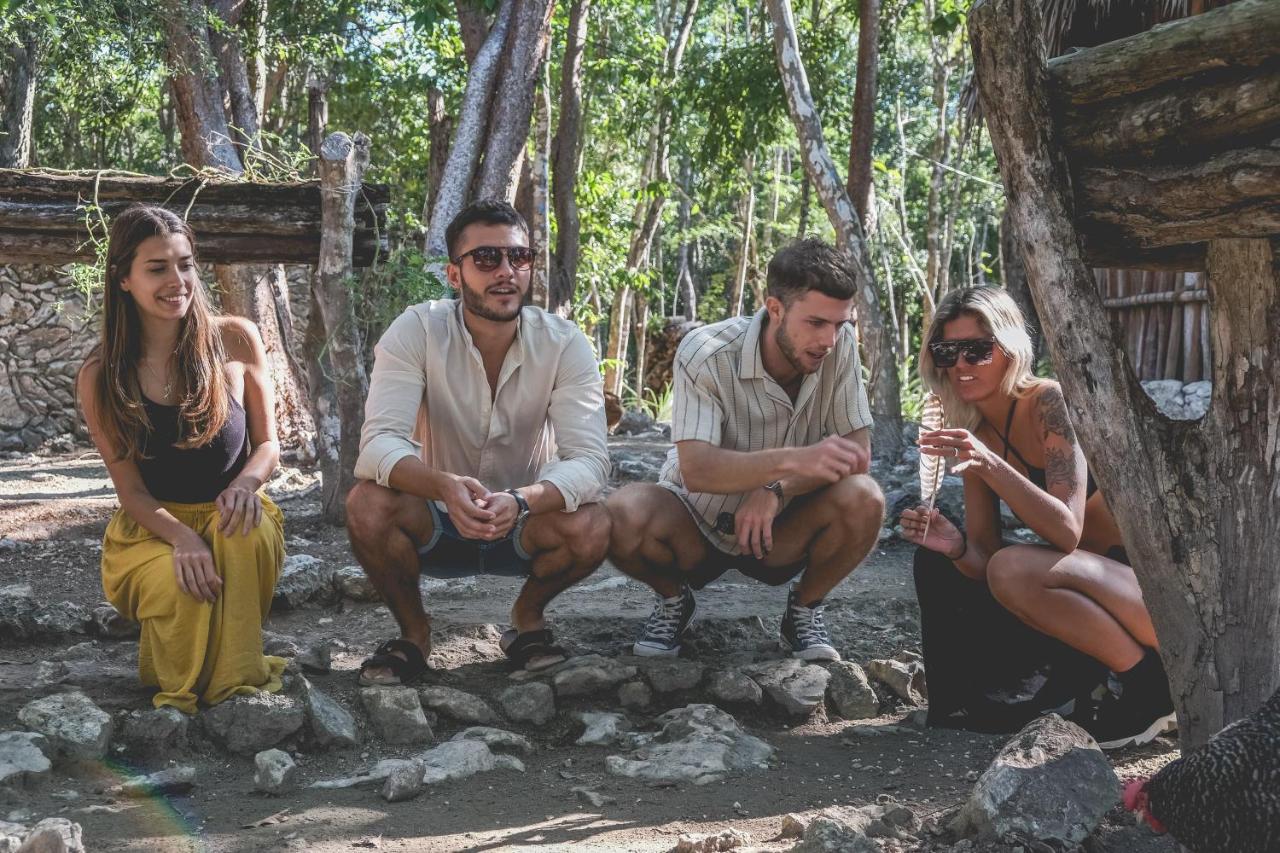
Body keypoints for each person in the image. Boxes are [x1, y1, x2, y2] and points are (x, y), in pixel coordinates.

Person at [347, 199, 611, 681]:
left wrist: (523, 500)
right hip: (435, 521)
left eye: (519, 257)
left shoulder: (565, 342)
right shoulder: (417, 329)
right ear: (454, 274)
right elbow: (379, 446)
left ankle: (527, 623)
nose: (506, 271)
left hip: (527, 524)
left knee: (593, 523)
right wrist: (444, 486)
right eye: (486, 259)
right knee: (367, 503)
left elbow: (590, 461)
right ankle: (413, 635)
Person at [899, 285, 1174, 749]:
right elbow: (987, 563)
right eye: (949, 351)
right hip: (1103, 601)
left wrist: (988, 462)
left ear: (1009, 350)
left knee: (1015, 564)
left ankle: (1149, 689)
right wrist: (959, 547)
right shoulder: (979, 432)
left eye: (978, 350)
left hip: (1163, 603)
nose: (962, 365)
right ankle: (1137, 686)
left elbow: (1068, 531)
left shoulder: (1049, 401)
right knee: (963, 565)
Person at [607, 238, 885, 661]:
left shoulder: (838, 346)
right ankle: (673, 600)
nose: (829, 339)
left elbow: (857, 453)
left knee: (866, 497)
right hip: (695, 522)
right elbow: (697, 469)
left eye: (840, 323)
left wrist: (775, 488)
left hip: (781, 533)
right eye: (815, 323)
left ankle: (804, 609)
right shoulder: (706, 352)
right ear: (775, 309)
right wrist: (792, 460)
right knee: (622, 511)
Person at [77, 205, 285, 714]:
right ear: (123, 278)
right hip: (151, 527)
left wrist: (245, 486)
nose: (177, 280)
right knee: (179, 577)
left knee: (242, 529)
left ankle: (236, 684)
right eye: (157, 268)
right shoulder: (101, 374)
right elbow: (132, 493)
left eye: (185, 264)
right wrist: (183, 536)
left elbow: (268, 445)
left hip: (235, 513)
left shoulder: (236, 339)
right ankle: (179, 683)